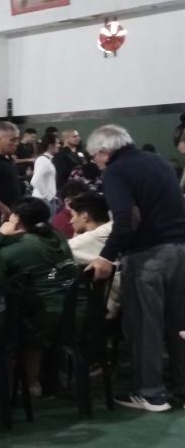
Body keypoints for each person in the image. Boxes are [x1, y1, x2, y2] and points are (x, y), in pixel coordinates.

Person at [85, 124, 185, 412]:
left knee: (144, 325)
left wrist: (106, 257)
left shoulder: (116, 171)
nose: (96, 162)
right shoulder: (159, 161)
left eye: (95, 156)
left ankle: (151, 393)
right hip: (180, 249)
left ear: (105, 151)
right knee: (179, 324)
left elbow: (126, 218)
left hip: (148, 256)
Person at [0, 198, 78, 397]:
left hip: (41, 317)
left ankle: (26, 383)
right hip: (72, 310)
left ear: (16, 219)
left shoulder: (26, 247)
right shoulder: (56, 236)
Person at [31, 133, 61, 205]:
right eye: (57, 143)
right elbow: (35, 181)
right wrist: (48, 196)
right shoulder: (43, 160)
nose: (59, 145)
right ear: (50, 146)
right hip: (43, 201)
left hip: (46, 199)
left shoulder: (46, 160)